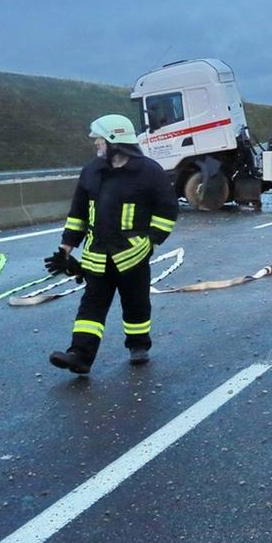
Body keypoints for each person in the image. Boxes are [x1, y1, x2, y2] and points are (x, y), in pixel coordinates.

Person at [46, 114, 178, 375]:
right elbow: (78, 214)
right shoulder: (91, 172)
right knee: (92, 303)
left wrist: (151, 241)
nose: (95, 142)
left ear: (114, 141)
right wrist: (65, 250)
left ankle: (138, 346)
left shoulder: (149, 172)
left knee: (136, 302)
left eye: (99, 138)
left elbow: (168, 210)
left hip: (133, 255)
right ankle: (80, 355)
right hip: (97, 255)